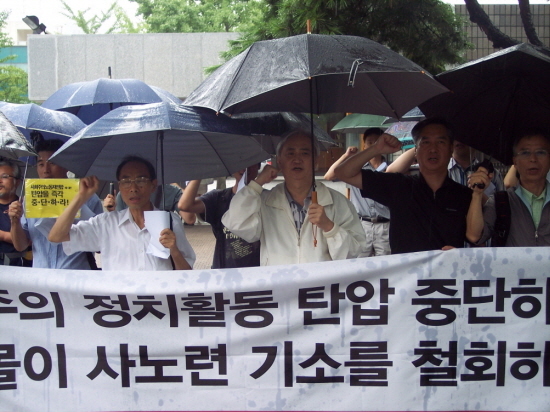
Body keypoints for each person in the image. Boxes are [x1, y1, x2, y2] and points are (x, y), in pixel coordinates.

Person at [221, 130, 366, 266]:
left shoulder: (338, 202)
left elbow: (353, 253)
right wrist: (257, 183)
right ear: (279, 161)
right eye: (290, 153)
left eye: (305, 153)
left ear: (316, 161)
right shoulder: (265, 201)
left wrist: (329, 227)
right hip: (279, 282)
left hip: (322, 284)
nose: (297, 159)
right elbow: (236, 224)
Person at [334, 117, 472, 254]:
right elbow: (343, 173)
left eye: (440, 142)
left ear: (451, 148)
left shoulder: (465, 195)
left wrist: (461, 254)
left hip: (449, 267)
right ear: (415, 150)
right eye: (426, 142)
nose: (433, 149)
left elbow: (477, 239)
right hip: (406, 268)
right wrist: (376, 149)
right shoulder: (399, 186)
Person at [48, 155, 195, 271]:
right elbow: (56, 236)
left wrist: (174, 250)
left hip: (159, 300)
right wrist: (80, 197)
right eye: (126, 181)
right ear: (119, 186)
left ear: (153, 185)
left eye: (141, 180)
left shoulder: (170, 222)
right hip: (119, 301)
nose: (133, 188)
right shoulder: (105, 224)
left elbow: (187, 275)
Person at [9, 139, 103, 269]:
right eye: (41, 164)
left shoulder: (88, 197)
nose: (46, 170)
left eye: (52, 163)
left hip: (75, 275)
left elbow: (100, 244)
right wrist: (14, 221)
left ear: (66, 165)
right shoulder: (30, 199)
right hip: (40, 275)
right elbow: (21, 246)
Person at [466, 131, 550, 247]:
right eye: (525, 153)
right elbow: (474, 236)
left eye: (540, 152)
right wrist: (477, 194)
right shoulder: (501, 201)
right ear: (515, 161)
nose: (533, 159)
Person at [178, 164, 261, 269]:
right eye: (240, 162)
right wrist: (199, 173)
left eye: (250, 163)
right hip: (223, 270)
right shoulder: (219, 198)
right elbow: (184, 205)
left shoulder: (266, 198)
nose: (244, 168)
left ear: (258, 166)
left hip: (259, 271)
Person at [325, 127, 390, 257]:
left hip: (385, 225)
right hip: (362, 224)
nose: (374, 145)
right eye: (370, 142)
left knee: (386, 264)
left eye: (377, 142)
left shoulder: (391, 168)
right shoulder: (354, 169)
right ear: (364, 145)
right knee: (359, 262)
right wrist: (346, 156)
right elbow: (329, 176)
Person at [103, 182, 196, 225]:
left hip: (163, 243)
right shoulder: (124, 194)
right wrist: (112, 211)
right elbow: (119, 225)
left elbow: (190, 219)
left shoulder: (171, 190)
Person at [0, 159, 29, 266]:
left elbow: (32, 239)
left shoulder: (24, 206)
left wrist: (2, 235)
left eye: (4, 176)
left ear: (17, 182)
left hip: (18, 266)